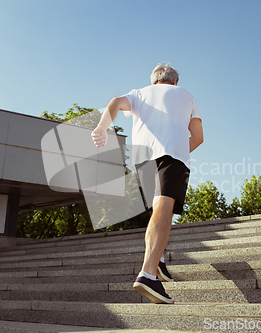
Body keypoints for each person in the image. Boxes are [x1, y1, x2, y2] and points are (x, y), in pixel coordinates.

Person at [91, 62, 203, 304]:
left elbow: (115, 102)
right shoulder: (186, 95)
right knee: (164, 211)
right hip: (171, 155)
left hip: (142, 161)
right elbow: (198, 137)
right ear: (174, 82)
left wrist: (101, 128)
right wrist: (181, 151)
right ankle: (148, 274)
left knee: (158, 211)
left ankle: (159, 260)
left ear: (154, 81)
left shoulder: (139, 93)